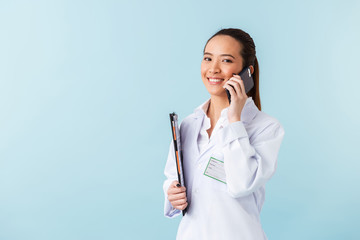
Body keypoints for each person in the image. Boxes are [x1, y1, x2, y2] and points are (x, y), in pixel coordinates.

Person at [162, 28, 285, 240]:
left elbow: (241, 185)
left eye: (226, 61)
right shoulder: (189, 125)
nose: (213, 69)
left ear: (247, 72)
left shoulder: (266, 128)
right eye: (208, 58)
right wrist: (171, 192)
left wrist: (234, 120)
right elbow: (172, 178)